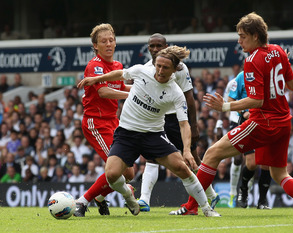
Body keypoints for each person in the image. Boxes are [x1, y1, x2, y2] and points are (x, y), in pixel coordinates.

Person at [170, 12, 293, 216]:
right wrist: (283, 65)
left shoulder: (252, 60)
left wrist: (225, 107)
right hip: (283, 122)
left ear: (255, 35)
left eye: (242, 36)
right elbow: (292, 85)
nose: (239, 41)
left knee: (212, 154)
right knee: (280, 173)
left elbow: (257, 100)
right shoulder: (279, 51)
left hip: (263, 122)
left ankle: (191, 207)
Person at [77, 45, 221, 217]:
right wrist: (96, 79)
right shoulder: (142, 71)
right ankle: (129, 196)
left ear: (174, 70)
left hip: (153, 135)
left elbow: (184, 124)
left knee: (182, 168)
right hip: (127, 133)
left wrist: (187, 150)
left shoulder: (176, 93)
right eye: (158, 65)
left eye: (165, 67)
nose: (160, 70)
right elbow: (120, 74)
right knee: (112, 174)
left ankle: (206, 209)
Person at [136, 33, 219, 213]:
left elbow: (190, 99)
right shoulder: (146, 69)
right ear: (148, 48)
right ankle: (144, 199)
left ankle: (211, 195)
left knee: (191, 160)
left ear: (166, 46)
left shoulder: (179, 69)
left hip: (177, 120)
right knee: (151, 157)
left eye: (159, 45)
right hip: (157, 118)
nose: (156, 49)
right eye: (152, 46)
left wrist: (194, 125)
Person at [74, 23, 134, 217]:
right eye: (103, 41)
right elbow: (104, 91)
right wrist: (132, 96)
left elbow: (122, 86)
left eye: (111, 40)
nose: (109, 44)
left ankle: (100, 198)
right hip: (96, 123)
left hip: (113, 122)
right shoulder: (95, 66)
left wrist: (142, 89)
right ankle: (82, 202)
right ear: (95, 46)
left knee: (129, 174)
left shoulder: (117, 66)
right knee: (117, 169)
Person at [224, 71, 272, 209]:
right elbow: (231, 100)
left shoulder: (268, 76)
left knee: (266, 163)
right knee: (251, 163)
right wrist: (243, 111)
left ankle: (262, 201)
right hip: (247, 122)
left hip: (266, 123)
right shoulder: (241, 77)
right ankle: (243, 189)